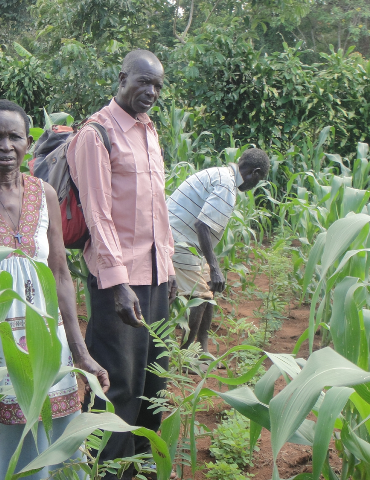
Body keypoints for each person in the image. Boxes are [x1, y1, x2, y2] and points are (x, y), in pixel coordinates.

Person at [0, 99, 109, 480]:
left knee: (45, 442)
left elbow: (60, 274)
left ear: (28, 142)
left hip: (45, 347)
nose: (5, 146)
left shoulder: (44, 194)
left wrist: (80, 352)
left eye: (14, 136)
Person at [66, 50, 178, 479]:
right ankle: (107, 471)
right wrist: (116, 283)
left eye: (157, 86)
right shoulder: (96, 134)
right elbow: (98, 214)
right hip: (118, 281)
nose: (150, 92)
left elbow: (157, 210)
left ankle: (141, 467)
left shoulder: (149, 132)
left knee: (154, 381)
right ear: (122, 78)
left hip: (153, 276)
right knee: (119, 384)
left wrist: (165, 268)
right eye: (143, 82)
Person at [167, 148, 270, 359]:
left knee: (209, 292)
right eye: (259, 180)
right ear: (255, 173)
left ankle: (202, 351)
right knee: (200, 296)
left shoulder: (224, 177)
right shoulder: (226, 186)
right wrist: (214, 267)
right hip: (175, 240)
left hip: (187, 241)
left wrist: (211, 266)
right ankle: (185, 356)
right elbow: (202, 225)